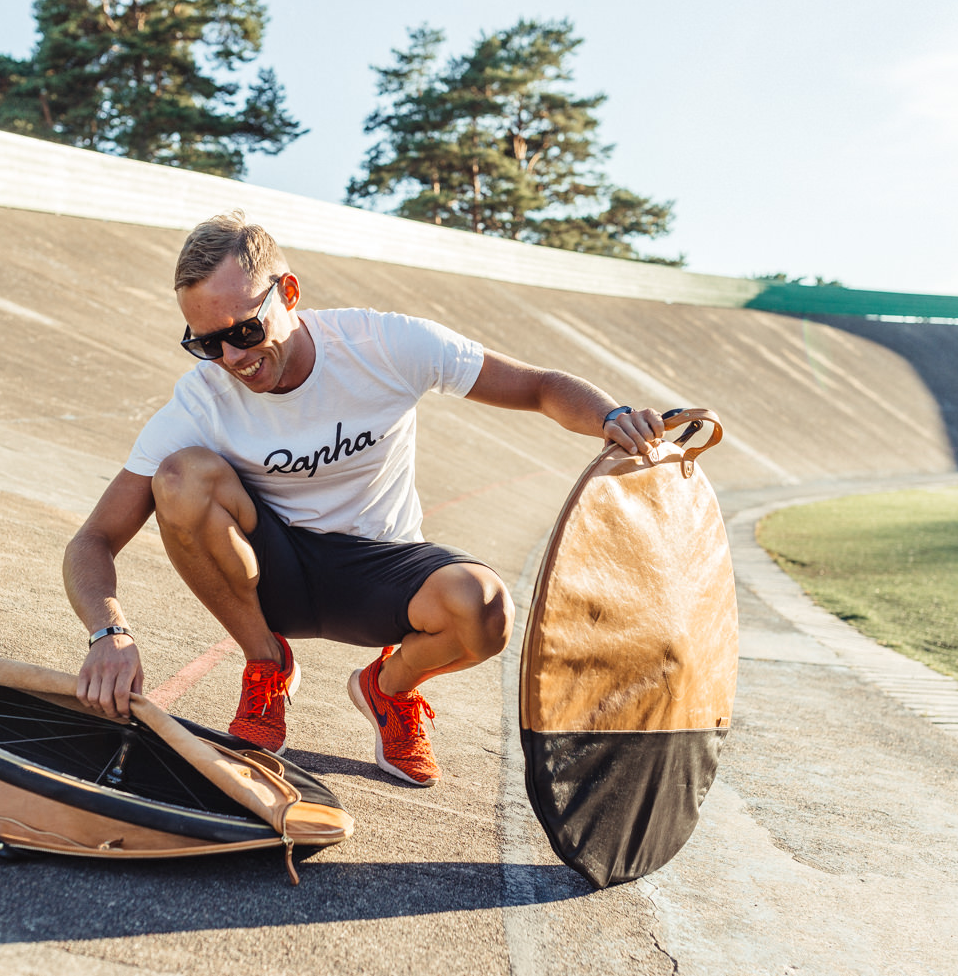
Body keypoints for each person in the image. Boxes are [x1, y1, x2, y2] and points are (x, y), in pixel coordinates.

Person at [66, 210, 665, 787]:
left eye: (247, 332)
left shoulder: (383, 343)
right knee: (178, 477)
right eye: (208, 343)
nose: (232, 359)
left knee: (485, 611)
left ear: (290, 293)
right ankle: (266, 665)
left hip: (383, 567)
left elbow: (537, 386)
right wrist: (107, 632)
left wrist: (610, 416)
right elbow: (93, 540)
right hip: (277, 573)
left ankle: (389, 687)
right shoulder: (201, 401)